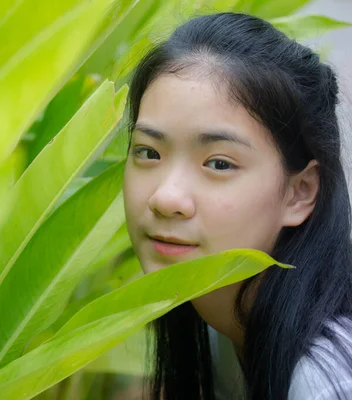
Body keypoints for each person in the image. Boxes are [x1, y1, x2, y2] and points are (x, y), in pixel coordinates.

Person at [122, 12, 352, 400]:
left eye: (219, 163)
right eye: (149, 152)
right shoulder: (219, 318)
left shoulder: (324, 382)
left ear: (299, 192)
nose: (165, 198)